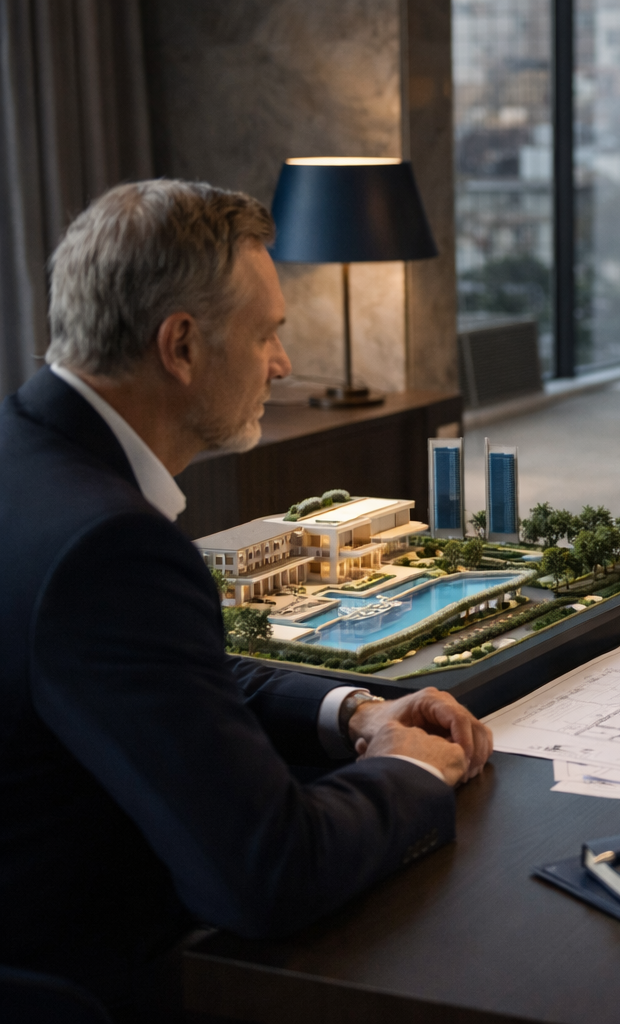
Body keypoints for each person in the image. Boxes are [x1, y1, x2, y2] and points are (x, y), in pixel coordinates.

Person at [0, 179, 494, 1014]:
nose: (283, 363)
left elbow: (167, 675)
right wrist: (406, 773)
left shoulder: (28, 456)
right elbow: (270, 875)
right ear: (182, 345)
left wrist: (352, 711)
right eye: (267, 333)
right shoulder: (110, 546)